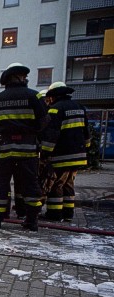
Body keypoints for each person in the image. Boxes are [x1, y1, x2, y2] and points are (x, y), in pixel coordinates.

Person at [0, 63, 48, 231]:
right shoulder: (34, 97)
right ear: (17, 77)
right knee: (30, 185)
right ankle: (31, 221)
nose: (25, 79)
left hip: (5, 150)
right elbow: (44, 122)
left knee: (1, 185)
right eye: (23, 76)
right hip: (28, 150)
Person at [40, 81, 90, 222]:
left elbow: (52, 135)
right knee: (69, 184)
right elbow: (86, 132)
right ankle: (68, 213)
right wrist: (86, 147)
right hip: (79, 155)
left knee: (56, 184)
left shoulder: (55, 109)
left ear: (55, 96)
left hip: (61, 156)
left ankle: (54, 214)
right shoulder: (79, 107)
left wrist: (45, 152)